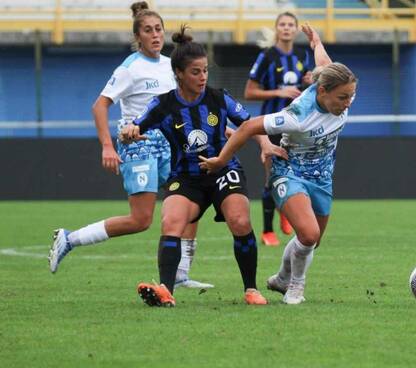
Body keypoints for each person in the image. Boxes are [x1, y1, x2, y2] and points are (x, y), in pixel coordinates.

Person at [48, 2, 213, 290]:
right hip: (139, 145)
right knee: (140, 220)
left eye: (158, 29)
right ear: (138, 37)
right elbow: (100, 106)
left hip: (170, 145)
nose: (155, 35)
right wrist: (107, 147)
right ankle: (69, 238)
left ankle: (180, 273)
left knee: (192, 200)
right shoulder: (130, 68)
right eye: (148, 31)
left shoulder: (170, 66)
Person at [121, 25, 286, 307]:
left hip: (223, 170)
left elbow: (248, 125)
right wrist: (129, 131)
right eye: (196, 72)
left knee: (240, 220)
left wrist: (266, 145)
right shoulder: (162, 105)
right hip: (186, 177)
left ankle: (251, 289)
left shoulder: (219, 99)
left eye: (205, 70)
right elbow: (136, 124)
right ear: (179, 74)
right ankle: (165, 291)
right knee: (170, 221)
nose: (202, 77)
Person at [200, 23, 357, 305]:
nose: (347, 103)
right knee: (308, 234)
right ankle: (296, 286)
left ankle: (282, 278)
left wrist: (316, 41)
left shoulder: (337, 86)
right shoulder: (297, 115)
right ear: (322, 92)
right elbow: (247, 127)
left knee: (313, 240)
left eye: (350, 96)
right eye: (342, 97)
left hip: (322, 177)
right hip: (289, 171)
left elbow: (324, 63)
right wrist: (222, 159)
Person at [244, 11, 314, 246]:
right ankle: (267, 231)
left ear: (295, 30)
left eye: (290, 24)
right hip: (272, 123)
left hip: (298, 126)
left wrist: (309, 82)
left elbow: (313, 87)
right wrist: (278, 92)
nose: (286, 28)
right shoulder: (267, 56)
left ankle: (286, 212)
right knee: (270, 175)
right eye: (282, 24)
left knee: (294, 174)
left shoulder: (303, 55)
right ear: (277, 29)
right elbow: (249, 92)